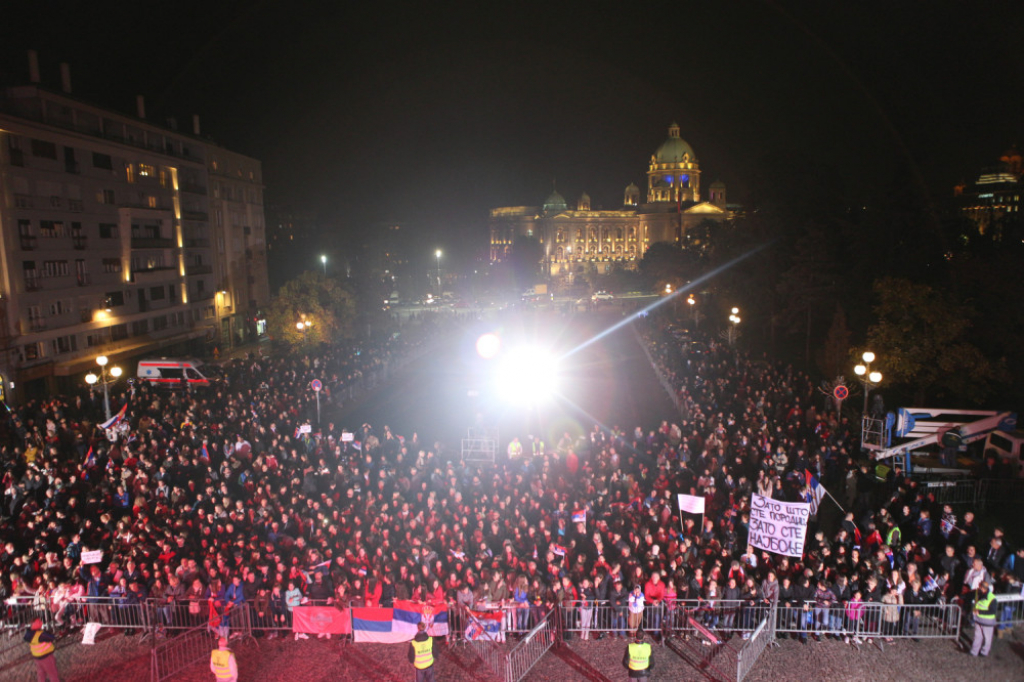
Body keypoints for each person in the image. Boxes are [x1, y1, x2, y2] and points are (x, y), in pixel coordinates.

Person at [970, 581, 997, 657]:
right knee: (977, 636)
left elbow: (992, 611)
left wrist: (980, 612)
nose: (978, 588)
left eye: (979, 587)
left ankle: (984, 652)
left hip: (987, 621)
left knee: (987, 638)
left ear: (983, 588)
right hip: (978, 619)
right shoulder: (978, 593)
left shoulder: (992, 598)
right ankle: (974, 651)